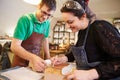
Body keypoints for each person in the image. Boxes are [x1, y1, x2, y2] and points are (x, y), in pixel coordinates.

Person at [51, 0, 120, 80]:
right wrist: (64, 58)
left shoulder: (100, 27)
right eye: (65, 22)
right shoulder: (81, 32)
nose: (67, 27)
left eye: (70, 22)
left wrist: (89, 74)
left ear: (83, 16)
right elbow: (81, 54)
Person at [10, 0, 56, 72]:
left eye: (49, 15)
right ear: (38, 6)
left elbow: (45, 39)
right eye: (44, 12)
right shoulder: (25, 20)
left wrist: (48, 58)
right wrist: (33, 58)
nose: (45, 17)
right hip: (20, 65)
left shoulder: (47, 23)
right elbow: (14, 46)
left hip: (35, 65)